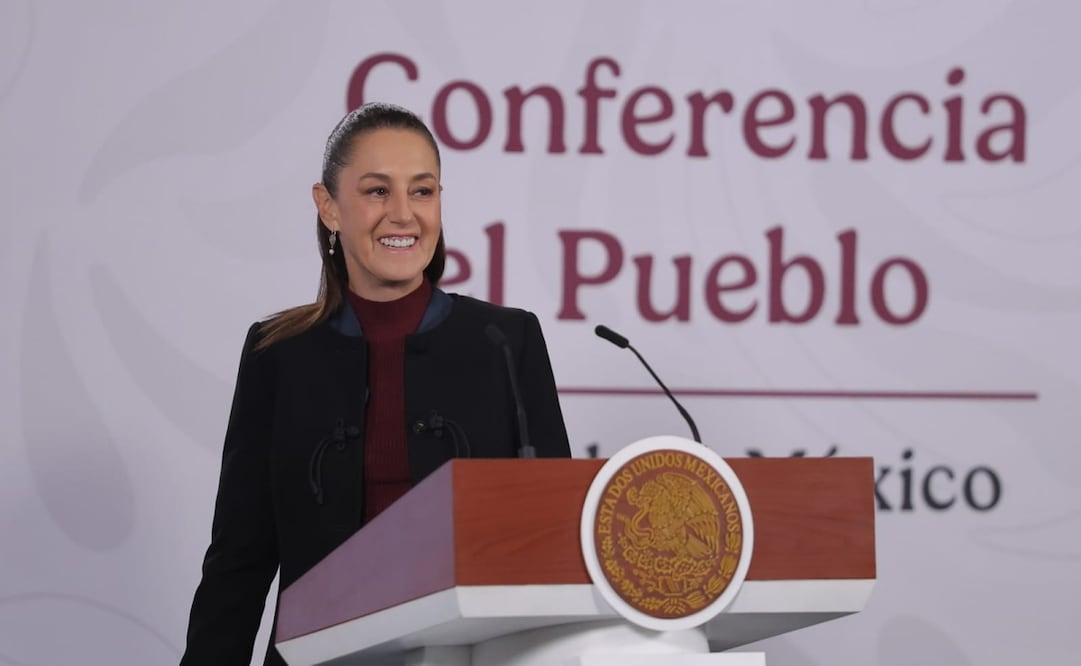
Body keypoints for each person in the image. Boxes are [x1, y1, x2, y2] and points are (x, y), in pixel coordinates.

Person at [181, 102, 571, 665]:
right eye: (376, 191)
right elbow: (238, 560)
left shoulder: (507, 341)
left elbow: (552, 545)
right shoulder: (277, 353)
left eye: (422, 191)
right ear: (329, 207)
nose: (403, 215)